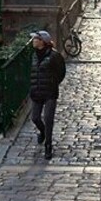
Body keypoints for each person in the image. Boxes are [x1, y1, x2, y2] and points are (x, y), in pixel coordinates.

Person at [28, 30, 66, 160]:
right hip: (36, 91)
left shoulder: (54, 56)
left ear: (43, 41)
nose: (33, 41)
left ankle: (48, 145)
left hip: (49, 92)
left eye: (36, 39)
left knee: (49, 119)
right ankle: (43, 132)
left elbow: (61, 72)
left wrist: (53, 83)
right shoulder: (33, 55)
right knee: (35, 117)